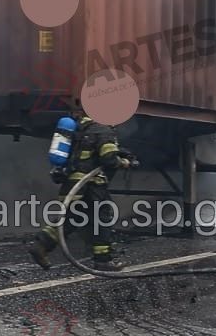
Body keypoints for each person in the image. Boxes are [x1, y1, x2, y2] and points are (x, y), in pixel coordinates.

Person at [27, 104, 137, 271]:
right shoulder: (103, 129)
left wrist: (122, 152)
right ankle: (102, 260)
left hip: (73, 183)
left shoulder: (81, 128)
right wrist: (126, 162)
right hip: (91, 185)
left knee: (73, 219)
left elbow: (93, 150)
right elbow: (108, 159)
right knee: (101, 219)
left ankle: (41, 244)